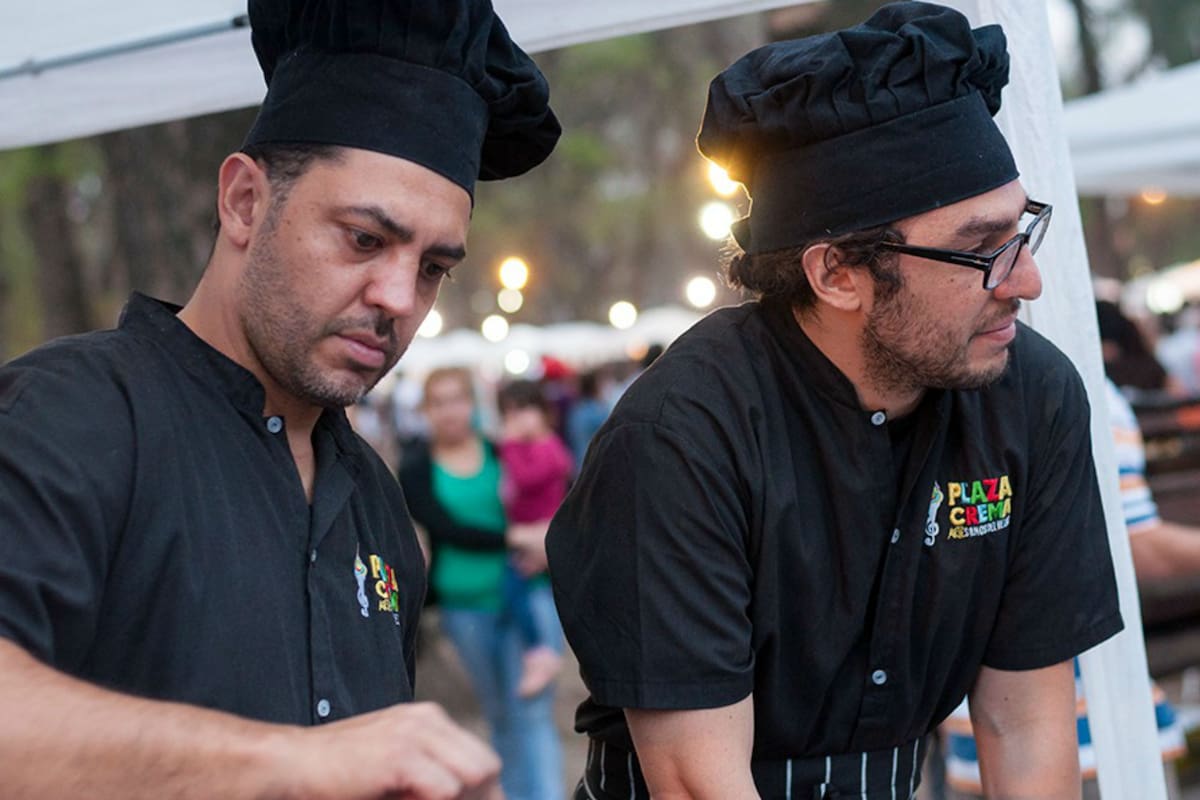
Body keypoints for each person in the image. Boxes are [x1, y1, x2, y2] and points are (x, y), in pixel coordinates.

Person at [546, 3, 1121, 799]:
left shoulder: (1033, 397)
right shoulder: (682, 438)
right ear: (837, 274)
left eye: (1020, 231)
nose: (1026, 279)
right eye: (979, 249)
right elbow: (696, 785)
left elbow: (1024, 726)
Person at [0, 1, 559, 797]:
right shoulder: (69, 415)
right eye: (364, 238)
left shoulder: (372, 494)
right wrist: (290, 763)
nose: (399, 296)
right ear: (244, 203)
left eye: (434, 266)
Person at [399, 369, 565, 800]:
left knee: (530, 713)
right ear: (426, 410)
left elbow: (545, 489)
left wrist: (544, 538)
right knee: (498, 715)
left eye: (458, 399)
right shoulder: (416, 467)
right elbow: (447, 528)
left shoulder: (499, 450)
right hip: (464, 606)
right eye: (439, 401)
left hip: (524, 594)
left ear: (472, 403)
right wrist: (517, 538)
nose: (450, 410)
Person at [495, 379, 573, 698]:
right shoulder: (531, 446)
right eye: (510, 413)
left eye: (525, 410)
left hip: (542, 532)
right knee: (513, 589)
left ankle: (539, 651)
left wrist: (509, 445)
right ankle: (536, 649)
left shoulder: (548, 446)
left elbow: (527, 479)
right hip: (523, 535)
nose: (518, 420)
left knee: (516, 587)